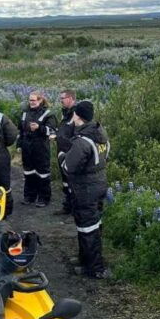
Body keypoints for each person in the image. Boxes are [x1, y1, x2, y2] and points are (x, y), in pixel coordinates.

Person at [61, 100, 110, 279]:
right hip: (99, 184)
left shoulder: (83, 141)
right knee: (93, 225)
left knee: (87, 228)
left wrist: (62, 157)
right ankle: (86, 259)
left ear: (78, 117)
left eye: (74, 114)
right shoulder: (101, 134)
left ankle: (94, 268)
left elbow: (69, 167)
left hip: (85, 189)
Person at [17, 91, 58, 208]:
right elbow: (21, 131)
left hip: (41, 148)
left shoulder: (48, 114)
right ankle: (29, 196)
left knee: (43, 174)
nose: (31, 102)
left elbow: (52, 131)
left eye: (34, 100)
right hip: (27, 148)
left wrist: (39, 128)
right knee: (28, 172)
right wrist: (19, 145)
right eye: (30, 100)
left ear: (40, 100)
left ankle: (44, 198)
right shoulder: (25, 113)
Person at [55, 89, 77, 215]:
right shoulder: (65, 114)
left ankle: (74, 208)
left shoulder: (76, 114)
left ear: (70, 98)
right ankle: (68, 206)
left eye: (62, 98)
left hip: (71, 153)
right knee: (65, 182)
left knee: (72, 182)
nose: (61, 101)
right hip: (62, 152)